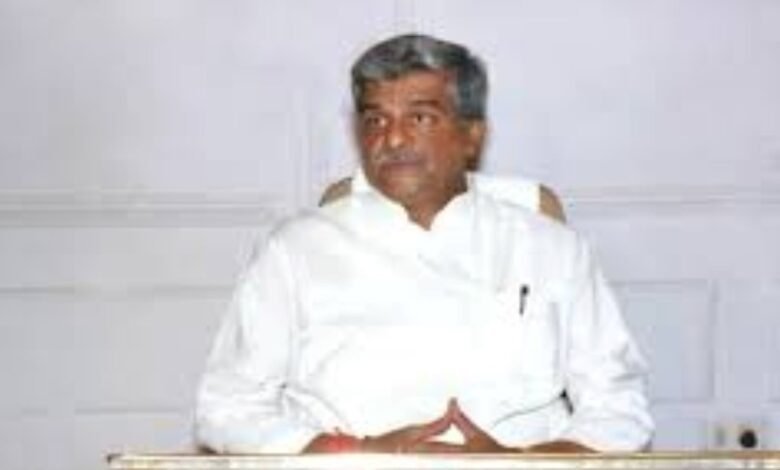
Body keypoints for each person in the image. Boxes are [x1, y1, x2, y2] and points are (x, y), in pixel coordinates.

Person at [195, 33, 653, 454]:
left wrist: (517, 461)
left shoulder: (551, 249)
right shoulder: (295, 251)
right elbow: (227, 409)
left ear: (472, 136)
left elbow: (620, 410)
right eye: (375, 119)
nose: (392, 139)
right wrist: (355, 452)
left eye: (420, 117)